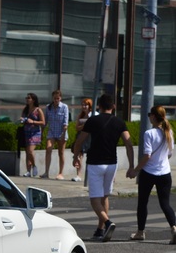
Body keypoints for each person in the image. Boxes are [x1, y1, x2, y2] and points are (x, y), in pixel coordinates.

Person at [73, 94, 135, 242]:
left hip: (95, 163)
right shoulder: (119, 122)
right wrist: (131, 165)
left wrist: (76, 156)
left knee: (94, 198)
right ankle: (100, 229)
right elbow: (129, 144)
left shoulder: (92, 121)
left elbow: (79, 141)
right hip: (112, 163)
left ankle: (107, 222)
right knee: (105, 196)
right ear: (113, 106)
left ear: (99, 106)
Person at [127, 105, 176, 244]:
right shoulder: (169, 132)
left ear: (153, 116)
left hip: (149, 173)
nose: (149, 116)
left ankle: (140, 232)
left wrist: (135, 170)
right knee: (165, 204)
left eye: (150, 114)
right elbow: (170, 153)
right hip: (165, 173)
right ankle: (174, 228)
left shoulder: (149, 133)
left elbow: (147, 156)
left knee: (142, 203)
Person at [41, 90, 69, 179]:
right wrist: (42, 131)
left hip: (61, 132)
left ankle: (60, 173)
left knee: (61, 153)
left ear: (60, 98)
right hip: (52, 132)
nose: (56, 100)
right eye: (54, 98)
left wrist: (64, 133)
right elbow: (45, 121)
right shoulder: (48, 107)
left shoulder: (64, 107)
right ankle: (46, 172)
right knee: (48, 149)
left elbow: (66, 120)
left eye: (58, 98)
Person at [20, 93, 45, 177]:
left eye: (29, 98)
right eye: (26, 97)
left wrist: (33, 121)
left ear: (33, 100)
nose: (27, 99)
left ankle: (34, 166)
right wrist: (22, 119)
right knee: (27, 152)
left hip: (35, 133)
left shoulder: (38, 110)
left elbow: (43, 122)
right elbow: (22, 118)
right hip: (26, 132)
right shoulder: (25, 109)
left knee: (30, 151)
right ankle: (28, 171)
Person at [71, 98, 94, 182]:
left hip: (90, 138)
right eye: (83, 104)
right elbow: (77, 127)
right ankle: (78, 175)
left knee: (90, 157)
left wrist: (85, 126)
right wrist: (84, 125)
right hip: (81, 137)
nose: (84, 106)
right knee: (79, 155)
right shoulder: (80, 115)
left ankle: (90, 175)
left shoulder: (93, 115)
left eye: (86, 105)